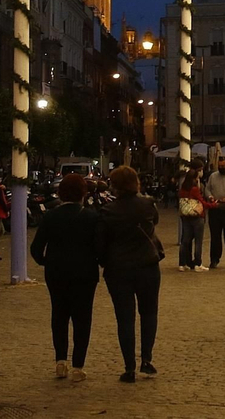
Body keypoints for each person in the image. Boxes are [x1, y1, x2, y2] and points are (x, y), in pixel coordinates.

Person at [95, 166, 161, 384]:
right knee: (149, 313)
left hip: (118, 269)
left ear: (115, 185)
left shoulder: (108, 211)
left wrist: (105, 262)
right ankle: (147, 359)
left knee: (125, 318)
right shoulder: (148, 205)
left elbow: (101, 244)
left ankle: (129, 367)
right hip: (148, 266)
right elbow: (155, 223)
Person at [30, 174, 99, 382]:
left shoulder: (51, 217)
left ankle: (60, 360)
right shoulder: (91, 217)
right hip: (85, 273)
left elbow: (36, 249)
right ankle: (78, 365)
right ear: (83, 193)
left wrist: (46, 262)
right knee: (82, 318)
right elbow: (99, 247)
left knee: (59, 315)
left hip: (56, 272)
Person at [176, 159, 214, 272]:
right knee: (198, 240)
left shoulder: (182, 189)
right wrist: (214, 205)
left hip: (185, 215)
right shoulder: (194, 189)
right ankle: (198, 263)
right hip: (197, 216)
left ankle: (182, 263)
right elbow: (202, 202)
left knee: (185, 240)